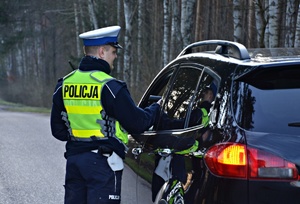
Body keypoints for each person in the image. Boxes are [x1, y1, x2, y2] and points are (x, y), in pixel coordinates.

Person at [50, 25, 161, 204]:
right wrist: (156, 108)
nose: (115, 57)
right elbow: (138, 123)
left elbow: (58, 131)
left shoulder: (64, 84)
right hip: (103, 163)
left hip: (75, 161)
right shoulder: (110, 87)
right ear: (102, 52)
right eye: (113, 52)